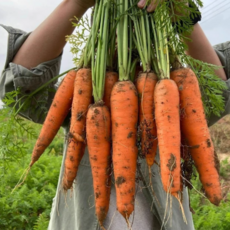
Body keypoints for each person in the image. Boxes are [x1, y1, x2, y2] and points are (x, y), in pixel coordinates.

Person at [0, 0, 229, 229]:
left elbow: (218, 94)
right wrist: (76, 4)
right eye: (119, 27)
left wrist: (181, 12)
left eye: (134, 28)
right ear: (101, 34)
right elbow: (20, 89)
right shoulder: (84, 94)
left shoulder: (175, 94)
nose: (128, 39)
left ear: (157, 33)